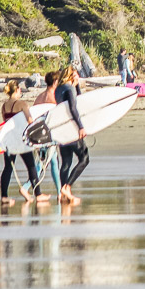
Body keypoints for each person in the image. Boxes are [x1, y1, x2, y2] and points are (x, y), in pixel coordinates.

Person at [0, 80, 41, 206]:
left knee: (7, 168)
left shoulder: (4, 106)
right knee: (31, 166)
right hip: (21, 140)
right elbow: (30, 121)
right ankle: (38, 194)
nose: (21, 91)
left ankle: (4, 197)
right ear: (16, 90)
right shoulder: (22, 104)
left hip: (8, 140)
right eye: (20, 90)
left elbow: (6, 124)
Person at [54, 66, 89, 203]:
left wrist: (77, 86)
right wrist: (80, 127)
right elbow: (74, 108)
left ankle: (63, 193)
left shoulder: (59, 89)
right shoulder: (69, 89)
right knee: (84, 158)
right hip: (71, 128)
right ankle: (67, 187)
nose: (77, 76)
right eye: (75, 75)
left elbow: (77, 101)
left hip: (61, 130)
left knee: (66, 162)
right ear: (70, 76)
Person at [30, 71, 62, 200]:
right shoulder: (54, 96)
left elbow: (34, 115)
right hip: (49, 134)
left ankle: (60, 193)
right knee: (42, 163)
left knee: (53, 161)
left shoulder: (40, 97)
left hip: (39, 133)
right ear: (55, 82)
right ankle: (26, 187)